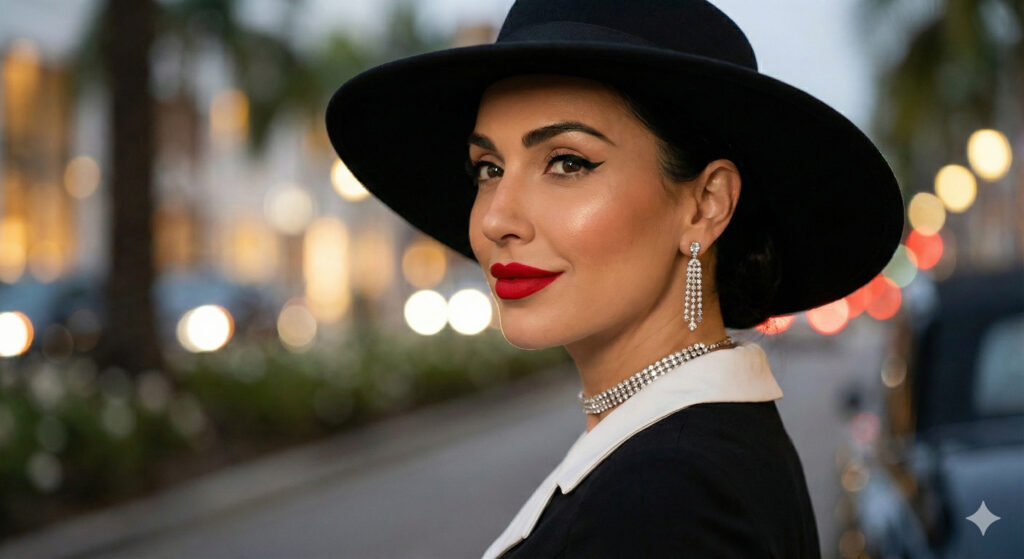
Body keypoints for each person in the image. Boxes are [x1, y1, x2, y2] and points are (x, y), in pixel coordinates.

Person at [325, 0, 904, 557]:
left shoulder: (667, 502)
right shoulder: (697, 452)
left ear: (705, 204)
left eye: (567, 163)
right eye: (489, 169)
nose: (496, 218)